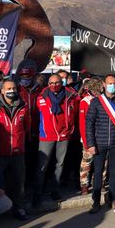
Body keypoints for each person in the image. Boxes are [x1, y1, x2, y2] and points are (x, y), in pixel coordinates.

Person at [0, 79, 30, 220]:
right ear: (2, 91)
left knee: (19, 182)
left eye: (14, 88)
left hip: (17, 153)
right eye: (8, 88)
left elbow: (26, 127)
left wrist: (20, 142)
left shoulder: (23, 107)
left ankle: (19, 207)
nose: (11, 91)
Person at [86, 74, 115, 213]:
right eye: (109, 83)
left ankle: (112, 198)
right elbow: (89, 123)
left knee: (114, 172)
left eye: (114, 83)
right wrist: (91, 143)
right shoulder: (96, 102)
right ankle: (96, 201)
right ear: (104, 85)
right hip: (99, 142)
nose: (112, 86)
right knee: (98, 172)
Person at [33, 74, 79, 207]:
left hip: (63, 135)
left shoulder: (70, 96)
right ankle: (37, 193)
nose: (54, 85)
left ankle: (55, 189)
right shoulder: (42, 96)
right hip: (47, 135)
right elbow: (37, 115)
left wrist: (70, 129)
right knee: (42, 165)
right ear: (48, 83)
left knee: (60, 164)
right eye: (51, 83)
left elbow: (74, 114)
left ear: (62, 82)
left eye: (57, 83)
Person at [16, 65, 42, 183]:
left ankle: (33, 182)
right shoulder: (16, 90)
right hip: (22, 131)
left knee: (35, 158)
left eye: (27, 77)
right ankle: (23, 183)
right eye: (23, 77)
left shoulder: (40, 90)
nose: (25, 79)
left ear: (33, 77)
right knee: (23, 160)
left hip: (37, 130)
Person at [77, 78, 103, 195]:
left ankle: (99, 182)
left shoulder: (103, 99)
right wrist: (86, 140)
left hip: (102, 136)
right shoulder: (85, 101)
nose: (98, 92)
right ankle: (84, 184)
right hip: (89, 137)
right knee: (87, 161)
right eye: (96, 90)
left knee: (103, 161)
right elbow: (82, 123)